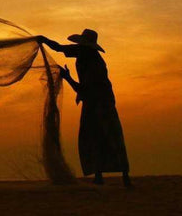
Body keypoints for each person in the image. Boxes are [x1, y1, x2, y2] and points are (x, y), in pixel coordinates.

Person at [39, 29, 131, 187]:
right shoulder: (84, 53)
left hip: (101, 102)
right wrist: (43, 39)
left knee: (109, 134)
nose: (78, 47)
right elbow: (59, 48)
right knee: (95, 136)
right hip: (93, 100)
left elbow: (84, 89)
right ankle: (100, 175)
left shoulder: (95, 64)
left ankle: (123, 176)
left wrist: (67, 77)